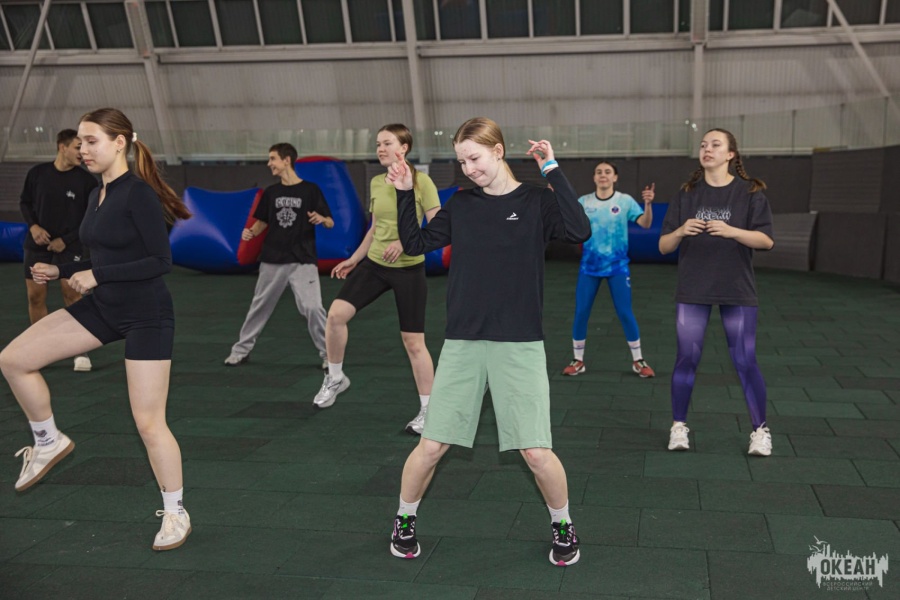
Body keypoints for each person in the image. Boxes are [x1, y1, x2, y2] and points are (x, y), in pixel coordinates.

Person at [386, 117, 591, 566]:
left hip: (519, 342)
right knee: (432, 446)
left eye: (474, 158)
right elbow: (415, 243)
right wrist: (403, 192)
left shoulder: (537, 201)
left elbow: (579, 231)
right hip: (463, 341)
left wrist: (552, 168)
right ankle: (404, 519)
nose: (469, 169)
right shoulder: (462, 204)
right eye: (462, 162)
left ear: (498, 151)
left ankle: (563, 524)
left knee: (536, 452)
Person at [0, 108, 194, 550]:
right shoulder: (96, 194)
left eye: (91, 141)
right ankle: (48, 441)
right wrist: (63, 269)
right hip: (104, 307)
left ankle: (176, 512)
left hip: (146, 314)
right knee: (13, 360)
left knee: (149, 423)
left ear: (119, 143)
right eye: (80, 142)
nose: (82, 149)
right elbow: (102, 255)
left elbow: (160, 261)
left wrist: (98, 276)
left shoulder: (138, 194)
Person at [313, 124, 440, 436]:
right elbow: (374, 228)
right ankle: (336, 377)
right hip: (375, 265)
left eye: (387, 143)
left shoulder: (422, 182)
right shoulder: (376, 182)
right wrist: (354, 259)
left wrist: (407, 242)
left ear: (404, 148)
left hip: (409, 268)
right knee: (335, 316)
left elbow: (438, 227)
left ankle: (431, 411)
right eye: (378, 144)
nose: (380, 149)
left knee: (413, 342)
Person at [659, 128, 775, 456]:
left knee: (745, 360)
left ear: (730, 155)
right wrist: (681, 230)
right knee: (686, 358)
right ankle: (678, 427)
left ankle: (760, 431)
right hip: (693, 289)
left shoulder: (750, 193)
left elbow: (766, 241)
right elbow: (664, 246)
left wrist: (732, 231)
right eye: (703, 144)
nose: (707, 149)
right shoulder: (686, 194)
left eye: (715, 144)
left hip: (737, 289)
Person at [223, 143, 333, 369]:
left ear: (286, 160)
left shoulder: (311, 190)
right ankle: (240, 351)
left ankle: (329, 355)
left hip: (303, 260)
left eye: (272, 159)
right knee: (259, 306)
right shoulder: (271, 192)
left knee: (313, 308)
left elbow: (330, 222)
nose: (269, 163)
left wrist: (322, 219)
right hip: (272, 259)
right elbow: (262, 222)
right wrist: (250, 232)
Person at [562, 161, 656, 378]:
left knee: (625, 312)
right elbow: (568, 223)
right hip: (589, 268)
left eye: (607, 172)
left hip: (618, 268)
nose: (603, 175)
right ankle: (578, 360)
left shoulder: (625, 201)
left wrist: (648, 204)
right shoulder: (584, 202)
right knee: (581, 312)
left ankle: (638, 360)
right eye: (598, 172)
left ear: (615, 177)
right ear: (594, 178)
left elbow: (645, 224)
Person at [19, 129, 99, 372]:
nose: (82, 152)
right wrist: (33, 226)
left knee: (71, 294)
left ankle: (79, 351)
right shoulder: (37, 174)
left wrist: (66, 239)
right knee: (35, 297)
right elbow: (25, 203)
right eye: (77, 147)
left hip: (70, 245)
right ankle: (40, 349)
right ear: (62, 147)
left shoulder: (87, 181)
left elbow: (89, 217)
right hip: (38, 245)